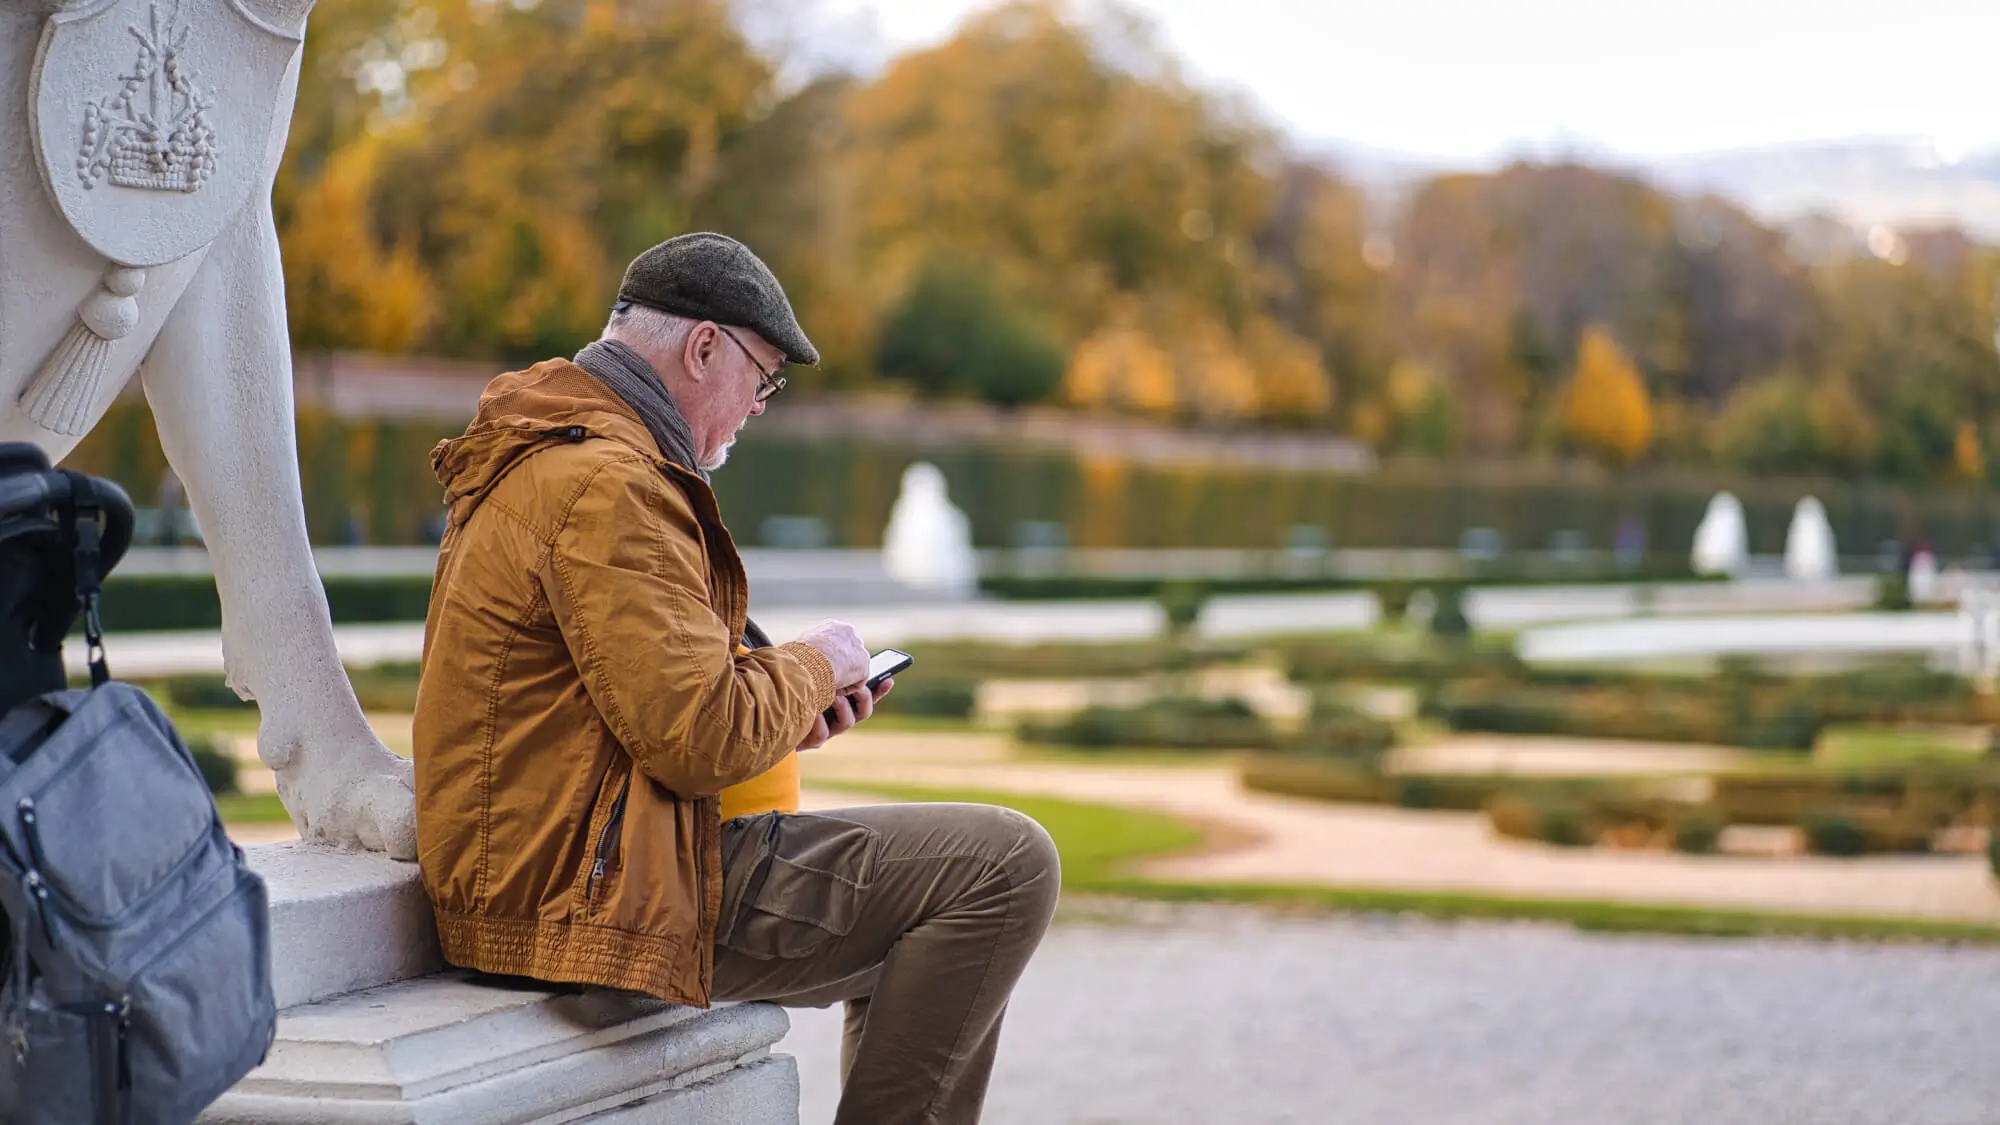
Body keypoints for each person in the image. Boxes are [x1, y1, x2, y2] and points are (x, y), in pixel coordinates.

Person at [413, 233, 1059, 1125]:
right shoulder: (608, 483)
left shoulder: (561, 455)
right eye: (762, 378)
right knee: (1003, 866)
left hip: (557, 869)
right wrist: (814, 662)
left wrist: (787, 702)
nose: (760, 406)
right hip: (584, 893)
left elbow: (634, 701)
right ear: (704, 346)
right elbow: (698, 738)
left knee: (950, 933)